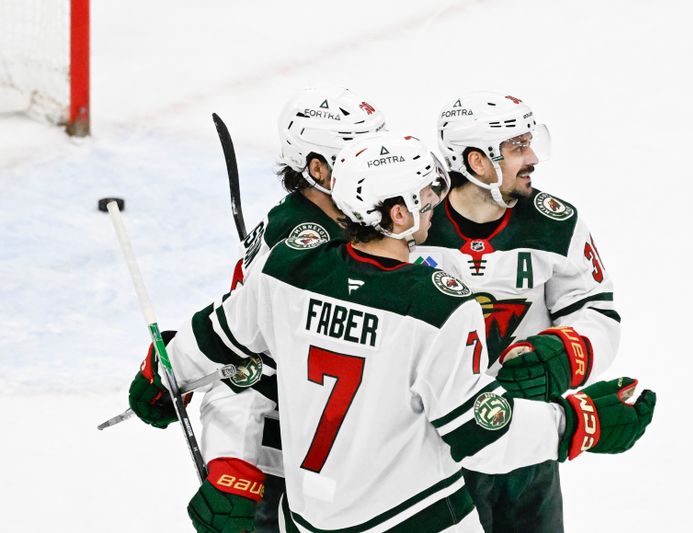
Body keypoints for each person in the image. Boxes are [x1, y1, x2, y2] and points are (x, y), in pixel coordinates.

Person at [130, 132, 655, 532]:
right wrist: (580, 423)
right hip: (407, 516)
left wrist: (162, 376)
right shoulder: (439, 305)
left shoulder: (288, 270)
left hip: (309, 517)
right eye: (424, 198)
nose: (434, 204)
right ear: (397, 212)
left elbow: (210, 338)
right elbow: (480, 436)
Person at [127, 87, 386, 533]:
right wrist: (232, 455)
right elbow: (245, 351)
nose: (382, 164)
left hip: (332, 437)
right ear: (318, 170)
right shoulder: (306, 242)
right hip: (283, 446)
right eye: (360, 153)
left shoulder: (352, 218)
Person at [410, 91, 622, 532]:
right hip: (437, 445)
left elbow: (597, 314)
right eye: (517, 148)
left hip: (528, 434)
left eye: (530, 142)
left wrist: (563, 354)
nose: (533, 159)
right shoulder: (414, 226)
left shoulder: (555, 223)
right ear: (476, 162)